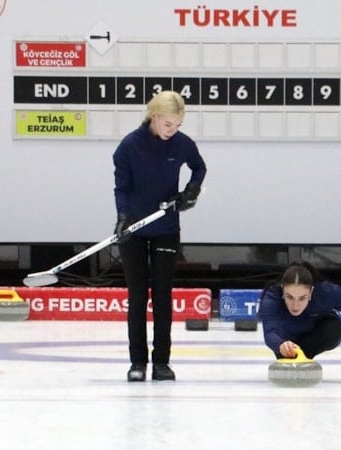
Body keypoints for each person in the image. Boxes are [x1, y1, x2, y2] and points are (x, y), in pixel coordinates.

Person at [113, 90, 207, 382]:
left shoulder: (181, 144)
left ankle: (162, 362)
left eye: (177, 125)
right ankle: (137, 362)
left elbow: (199, 167)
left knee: (163, 296)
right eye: (168, 124)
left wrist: (191, 191)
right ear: (154, 116)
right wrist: (123, 217)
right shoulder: (129, 146)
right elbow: (121, 188)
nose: (172, 130)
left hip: (166, 229)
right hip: (134, 230)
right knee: (138, 296)